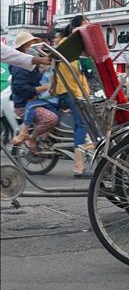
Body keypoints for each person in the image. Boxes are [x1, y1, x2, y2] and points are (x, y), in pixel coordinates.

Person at [53, 15, 94, 178]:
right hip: (72, 92)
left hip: (77, 91)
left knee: (86, 126)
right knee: (82, 125)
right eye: (85, 24)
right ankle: (79, 167)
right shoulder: (66, 46)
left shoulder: (77, 49)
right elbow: (73, 71)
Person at [8, 32, 59, 152]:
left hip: (36, 101)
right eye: (32, 44)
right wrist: (46, 87)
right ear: (24, 46)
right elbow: (23, 90)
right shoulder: (20, 66)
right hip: (24, 105)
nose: (36, 46)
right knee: (51, 119)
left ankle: (43, 139)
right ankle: (32, 138)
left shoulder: (29, 63)